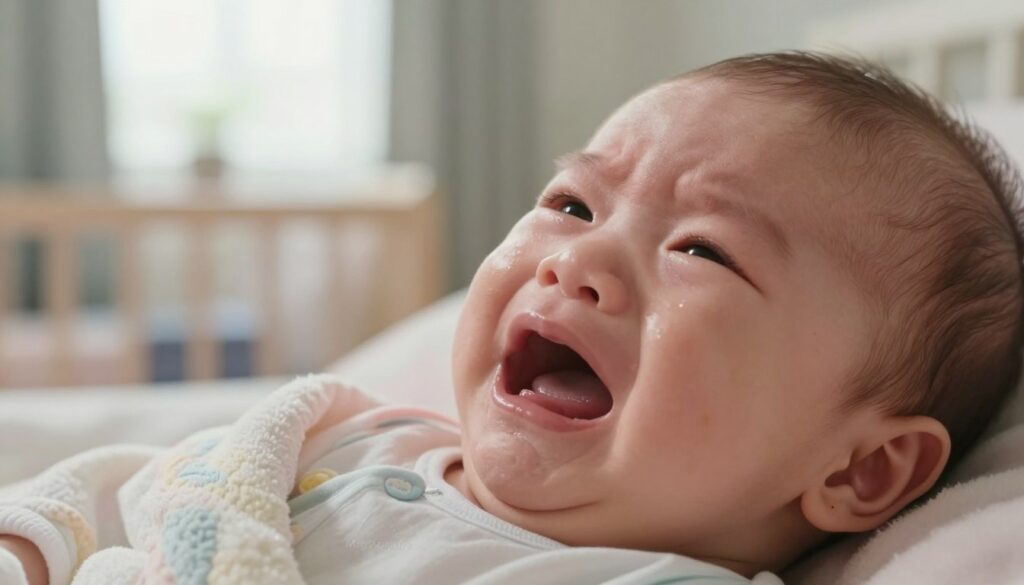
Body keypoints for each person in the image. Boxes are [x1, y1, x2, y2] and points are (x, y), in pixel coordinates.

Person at [2, 51, 1022, 585]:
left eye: (702, 251)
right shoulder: (344, 441)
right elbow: (131, 491)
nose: (577, 260)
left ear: (860, 471)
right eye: (572, 204)